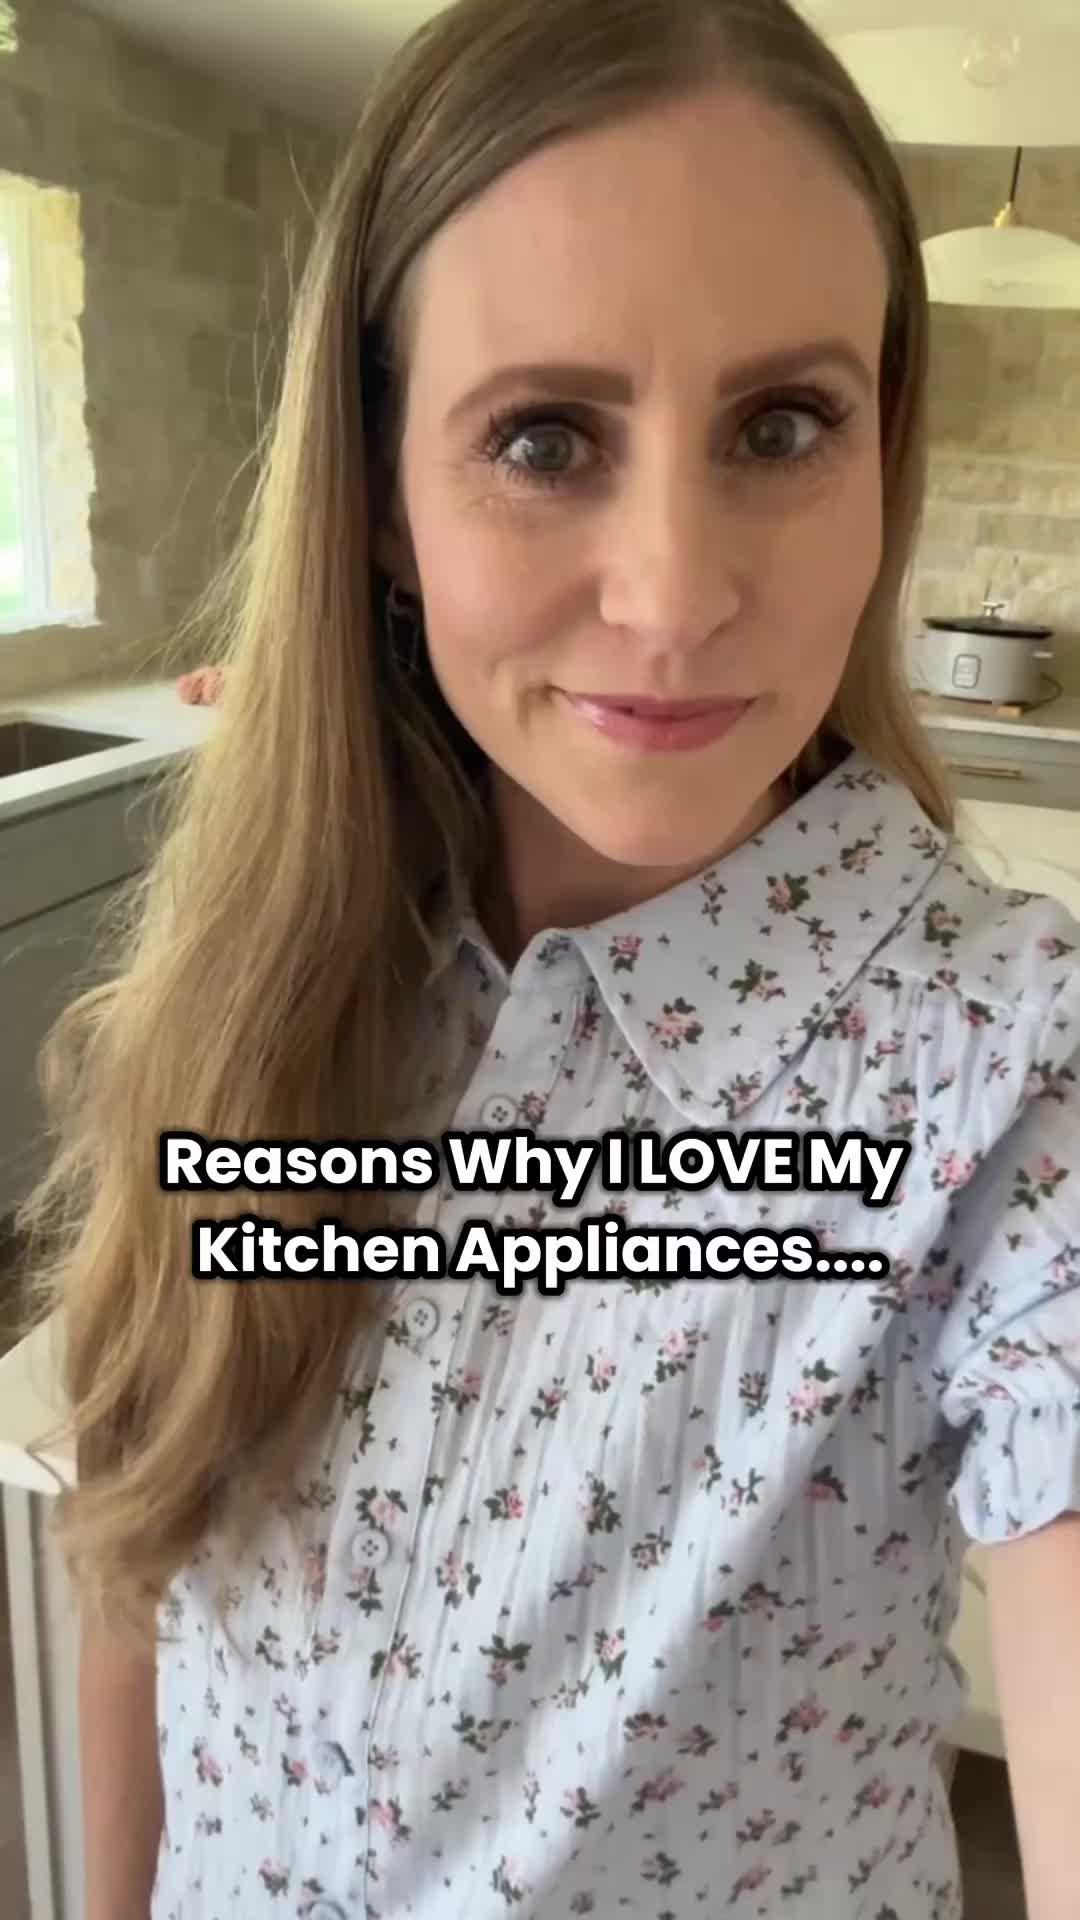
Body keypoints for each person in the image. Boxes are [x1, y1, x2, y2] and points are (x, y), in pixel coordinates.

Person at [16, 0, 1079, 1916]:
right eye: (542, 436)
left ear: (883, 456)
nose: (674, 596)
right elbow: (139, 1557)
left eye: (781, 424)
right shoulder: (243, 991)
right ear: (387, 496)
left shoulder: (1006, 1067)